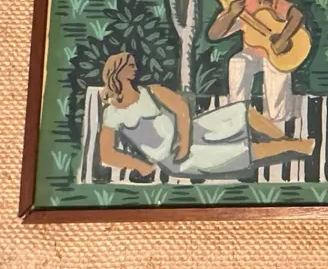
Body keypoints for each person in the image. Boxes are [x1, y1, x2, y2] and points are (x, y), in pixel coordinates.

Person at [96, 52, 313, 180]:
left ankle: (292, 143)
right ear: (118, 71)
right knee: (243, 150)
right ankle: (297, 145)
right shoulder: (113, 113)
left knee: (243, 111)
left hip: (192, 132)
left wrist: (184, 142)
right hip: (177, 159)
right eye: (130, 65)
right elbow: (107, 154)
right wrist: (139, 165)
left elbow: (182, 109)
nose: (135, 68)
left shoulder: (151, 91)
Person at [206, 0, 306, 123]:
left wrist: (283, 39)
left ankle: (278, 121)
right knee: (237, 62)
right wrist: (231, 14)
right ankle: (237, 114)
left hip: (275, 57)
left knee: (278, 72)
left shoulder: (279, 3)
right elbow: (213, 34)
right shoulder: (245, 3)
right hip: (252, 54)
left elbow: (297, 16)